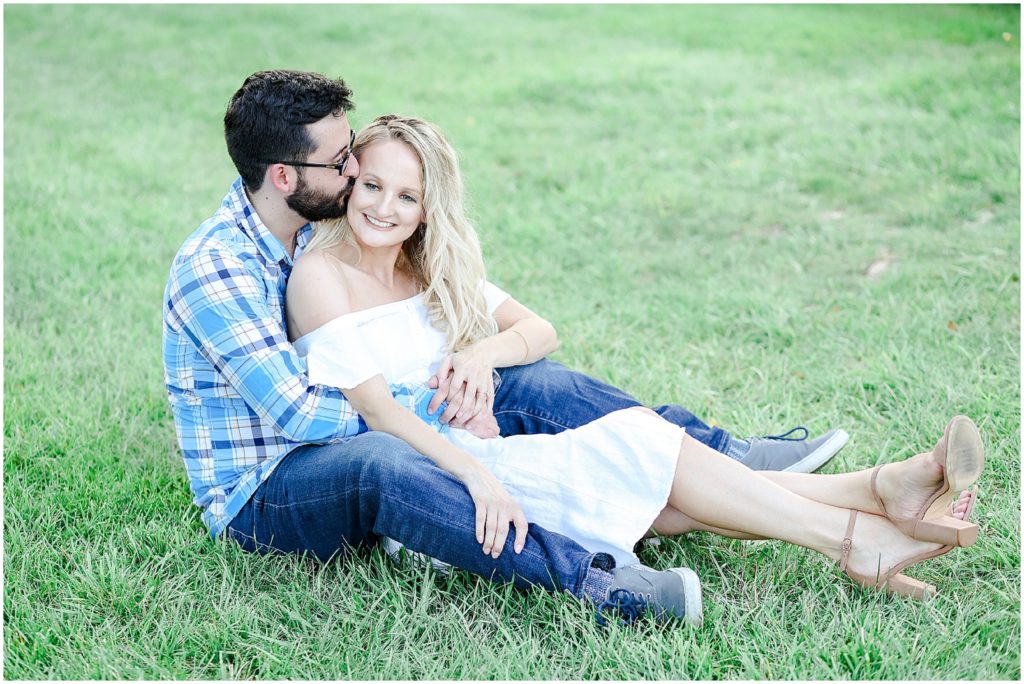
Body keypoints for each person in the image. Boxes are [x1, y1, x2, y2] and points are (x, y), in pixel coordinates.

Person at [159, 70, 890, 627]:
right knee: (385, 461)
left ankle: (733, 459)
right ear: (286, 177)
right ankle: (599, 582)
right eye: (344, 164)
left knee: (529, 382)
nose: (355, 176)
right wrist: (444, 417)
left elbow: (475, 326)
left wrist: (472, 372)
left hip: (382, 423)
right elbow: (303, 416)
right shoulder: (218, 268)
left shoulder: (304, 232)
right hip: (267, 487)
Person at [283, 114, 984, 618]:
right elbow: (377, 415)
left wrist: (478, 354)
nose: (383, 207)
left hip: (476, 447)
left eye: (407, 196)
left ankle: (878, 495)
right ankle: (856, 533)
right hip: (438, 485)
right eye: (372, 186)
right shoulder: (323, 275)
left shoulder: (426, 271)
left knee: (665, 486)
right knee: (648, 455)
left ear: (429, 208)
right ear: (350, 182)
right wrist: (476, 470)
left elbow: (539, 329)